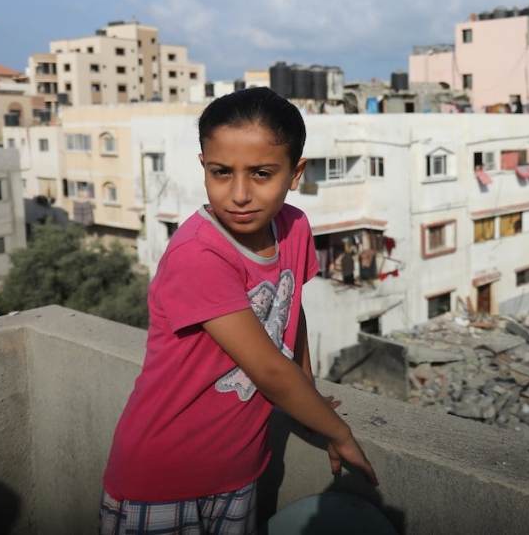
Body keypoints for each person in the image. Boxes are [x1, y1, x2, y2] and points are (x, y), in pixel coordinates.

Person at [100, 88, 377, 534]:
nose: (240, 194)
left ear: (295, 173)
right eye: (222, 172)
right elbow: (269, 370)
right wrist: (338, 432)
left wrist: (308, 393)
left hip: (238, 470)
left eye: (261, 173)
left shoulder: (294, 228)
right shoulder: (199, 254)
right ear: (204, 167)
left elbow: (290, 312)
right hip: (161, 476)